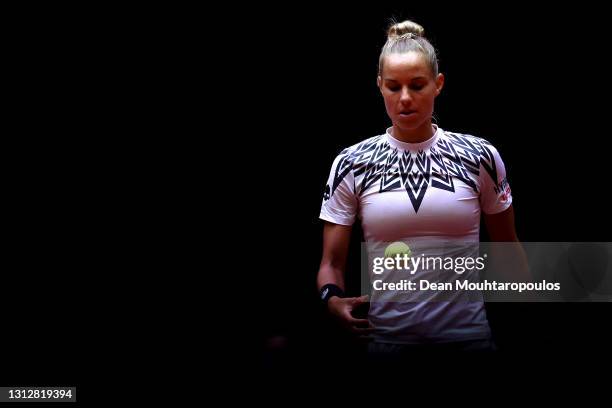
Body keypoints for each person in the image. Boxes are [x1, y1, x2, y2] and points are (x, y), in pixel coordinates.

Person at [317, 19, 524, 357]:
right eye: (393, 87)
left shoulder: (481, 156)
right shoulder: (351, 162)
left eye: (417, 85)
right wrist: (332, 299)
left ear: (438, 84)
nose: (405, 98)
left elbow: (509, 251)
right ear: (379, 85)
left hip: (470, 344)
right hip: (387, 345)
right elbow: (332, 263)